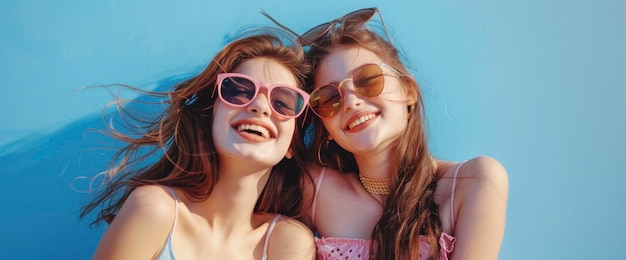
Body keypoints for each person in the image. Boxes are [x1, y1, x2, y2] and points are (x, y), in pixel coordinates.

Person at [277, 7, 508, 259]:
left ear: (409, 90)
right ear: (326, 129)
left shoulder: (471, 182)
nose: (351, 102)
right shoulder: (315, 190)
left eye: (367, 80)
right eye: (329, 98)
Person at [79, 28, 316, 259]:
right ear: (210, 116)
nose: (260, 106)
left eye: (284, 103)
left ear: (292, 145)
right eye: (239, 91)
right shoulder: (155, 209)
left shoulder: (287, 242)